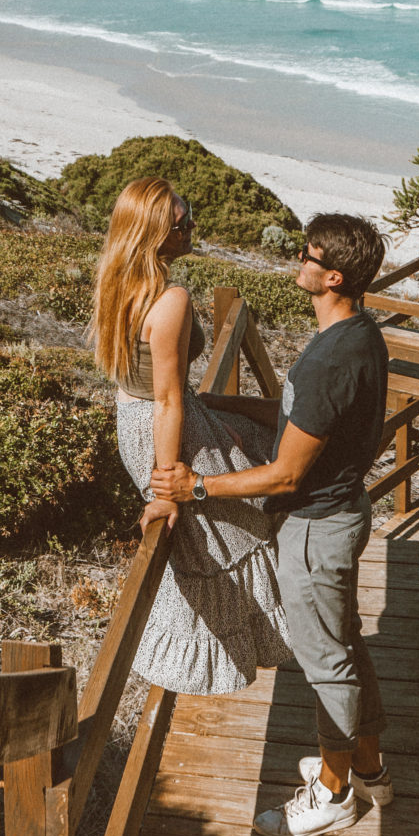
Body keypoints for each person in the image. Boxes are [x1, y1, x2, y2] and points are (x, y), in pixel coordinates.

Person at [154, 211, 391, 836]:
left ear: (332, 276)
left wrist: (196, 487)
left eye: (309, 255)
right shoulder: (358, 333)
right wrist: (225, 403)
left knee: (325, 659)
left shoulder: (329, 361)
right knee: (343, 639)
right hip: (340, 513)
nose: (300, 259)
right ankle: (367, 766)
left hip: (314, 527)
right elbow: (302, 418)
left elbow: (285, 475)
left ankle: (335, 792)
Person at [91, 176, 291, 695]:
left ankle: (230, 645)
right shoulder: (170, 298)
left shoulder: (115, 281)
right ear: (157, 232)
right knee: (230, 523)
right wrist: (166, 487)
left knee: (209, 530)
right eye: (182, 222)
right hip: (166, 429)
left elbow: (153, 391)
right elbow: (169, 400)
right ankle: (226, 656)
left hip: (131, 422)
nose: (191, 228)